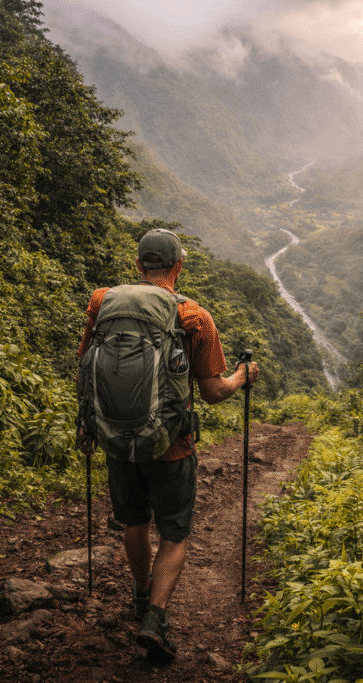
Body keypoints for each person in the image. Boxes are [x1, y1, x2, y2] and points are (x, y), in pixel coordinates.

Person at [76, 228, 259, 662]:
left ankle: (140, 597)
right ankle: (155, 617)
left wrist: (86, 424)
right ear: (178, 265)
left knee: (134, 522)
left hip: (117, 441)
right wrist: (242, 376)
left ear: (139, 265)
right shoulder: (194, 316)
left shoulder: (102, 303)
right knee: (174, 532)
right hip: (172, 446)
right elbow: (214, 392)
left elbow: (85, 368)